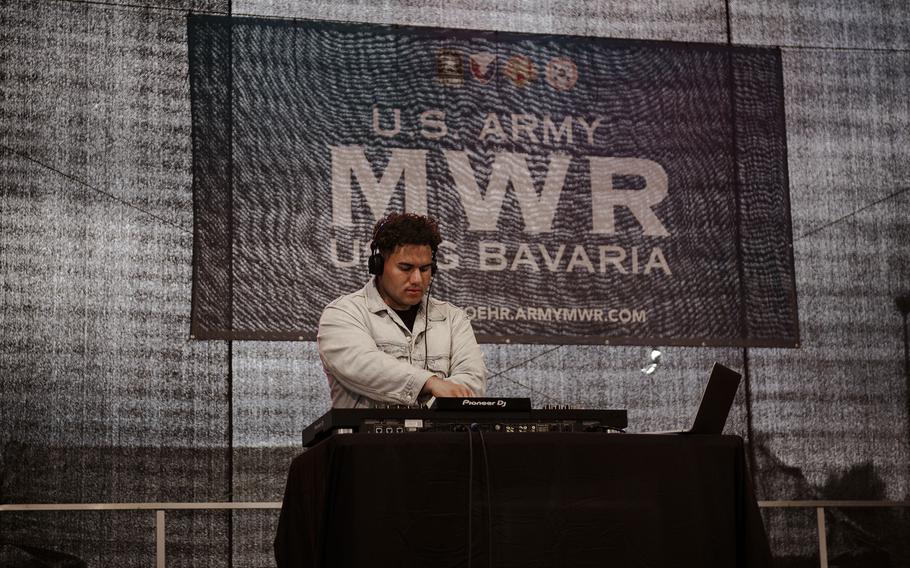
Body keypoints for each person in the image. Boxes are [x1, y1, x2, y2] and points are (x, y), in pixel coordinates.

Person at [317, 213, 487, 407]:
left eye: (425, 269)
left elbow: (473, 380)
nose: (417, 279)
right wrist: (429, 383)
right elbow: (362, 365)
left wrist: (431, 411)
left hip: (441, 438)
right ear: (378, 265)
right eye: (406, 268)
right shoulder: (342, 313)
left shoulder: (453, 318)